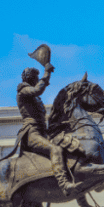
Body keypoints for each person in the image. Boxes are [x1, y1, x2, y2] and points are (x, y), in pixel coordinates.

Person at [15, 64, 77, 196]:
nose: (38, 80)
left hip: (42, 133)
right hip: (32, 133)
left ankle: (82, 201)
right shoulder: (23, 90)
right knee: (55, 149)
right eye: (35, 78)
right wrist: (46, 73)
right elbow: (37, 90)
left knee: (67, 149)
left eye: (38, 78)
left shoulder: (34, 97)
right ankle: (64, 184)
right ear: (29, 79)